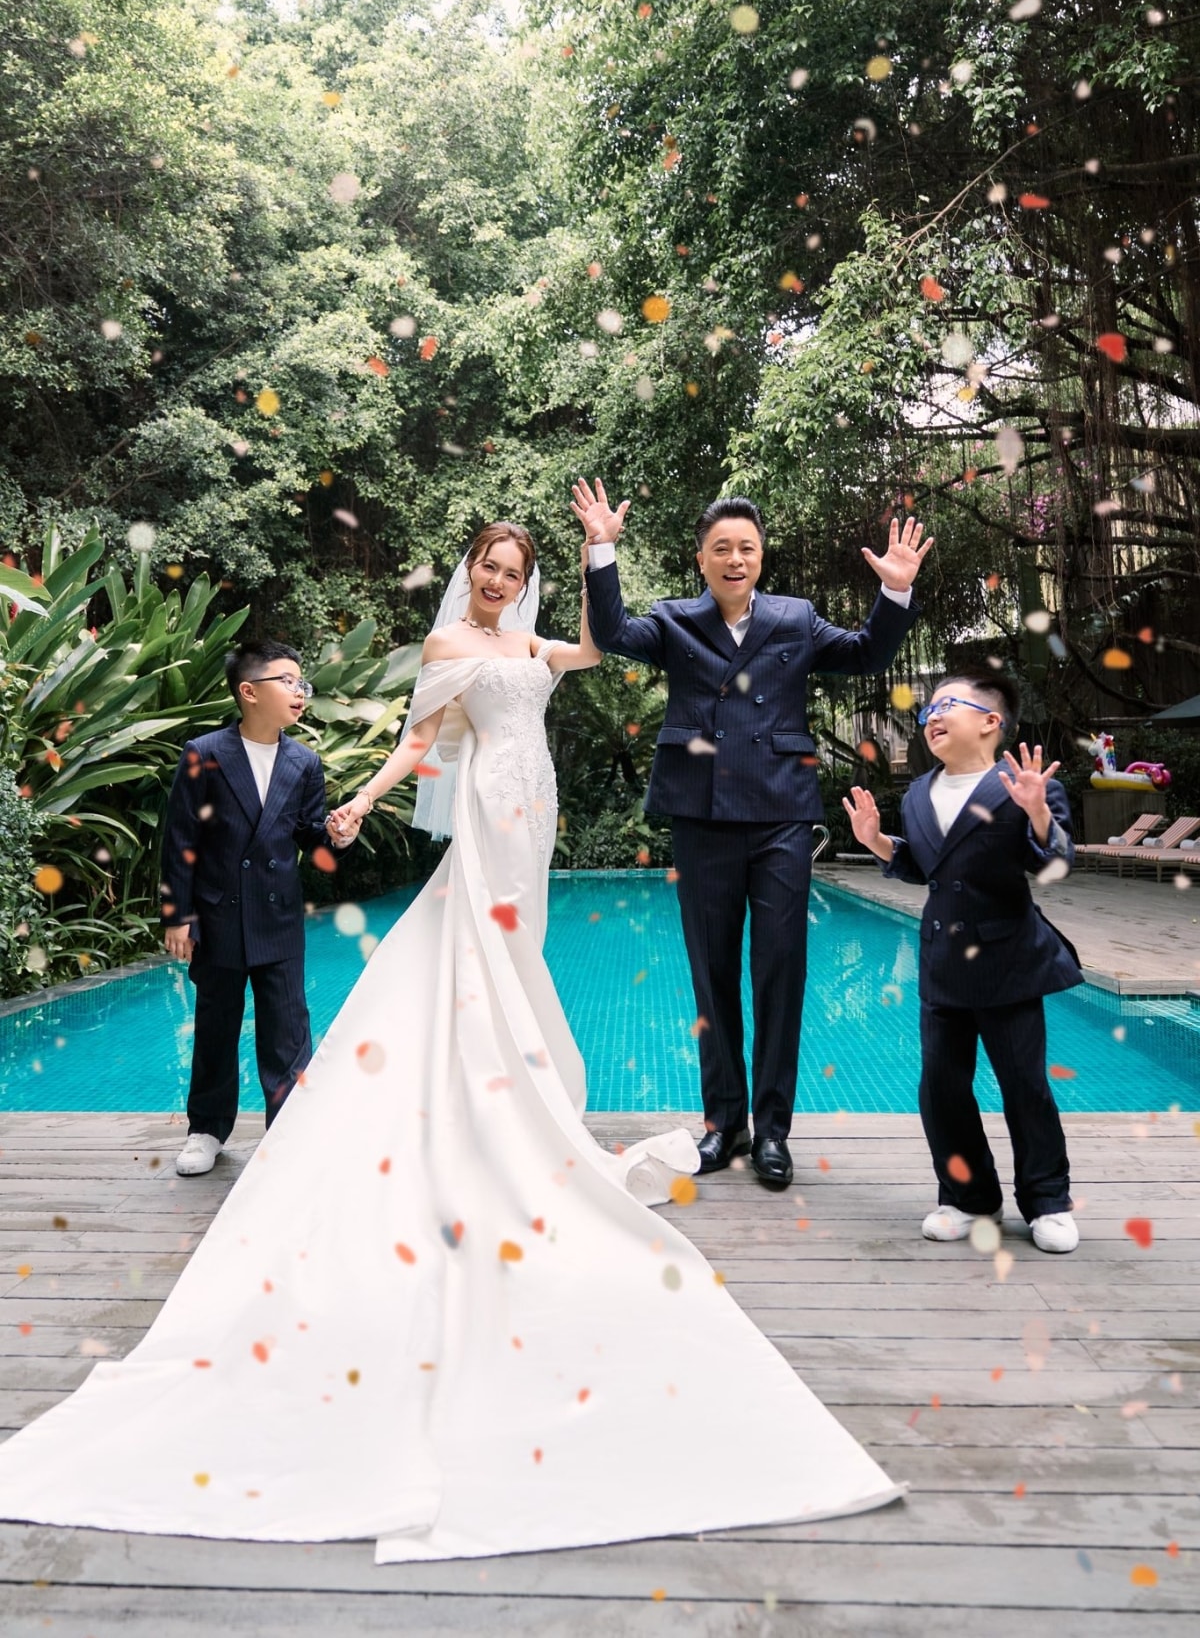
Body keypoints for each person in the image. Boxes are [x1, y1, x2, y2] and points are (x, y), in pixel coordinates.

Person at [0, 521, 900, 1560]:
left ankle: (522, 1087)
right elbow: (420, 742)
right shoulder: (448, 648)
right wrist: (363, 799)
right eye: (490, 568)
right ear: (470, 570)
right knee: (482, 945)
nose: (500, 581)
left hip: (537, 801)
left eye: (515, 572)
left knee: (521, 953)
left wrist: (601, 553)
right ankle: (484, 1095)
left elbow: (597, 646)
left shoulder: (530, 643)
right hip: (485, 803)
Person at [573, 479, 929, 1189]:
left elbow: (866, 653)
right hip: (701, 815)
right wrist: (601, 550)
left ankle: (772, 1131)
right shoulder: (674, 620)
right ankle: (724, 1122)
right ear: (701, 559)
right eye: (721, 548)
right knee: (712, 974)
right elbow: (611, 635)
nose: (735, 559)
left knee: (779, 970)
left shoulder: (796, 618)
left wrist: (894, 591)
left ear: (761, 557)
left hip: (780, 817)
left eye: (747, 548)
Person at [842, 672, 1084, 1254]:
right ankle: (969, 1198)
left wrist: (1038, 814)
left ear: (991, 721)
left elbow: (1055, 865)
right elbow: (927, 866)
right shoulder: (917, 794)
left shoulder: (1025, 785)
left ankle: (1047, 1201)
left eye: (946, 704)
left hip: (1008, 961)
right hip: (943, 963)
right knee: (942, 1089)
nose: (931, 716)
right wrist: (878, 843)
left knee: (1024, 1087)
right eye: (927, 710)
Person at [161, 641, 362, 1177]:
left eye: (302, 682)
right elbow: (180, 839)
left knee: (287, 1030)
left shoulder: (304, 762)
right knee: (216, 1026)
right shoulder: (205, 753)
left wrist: (337, 837)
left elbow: (309, 837)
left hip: (278, 917)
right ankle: (206, 1129)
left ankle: (288, 1133)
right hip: (218, 915)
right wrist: (177, 914)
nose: (300, 691)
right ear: (249, 692)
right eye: (287, 681)